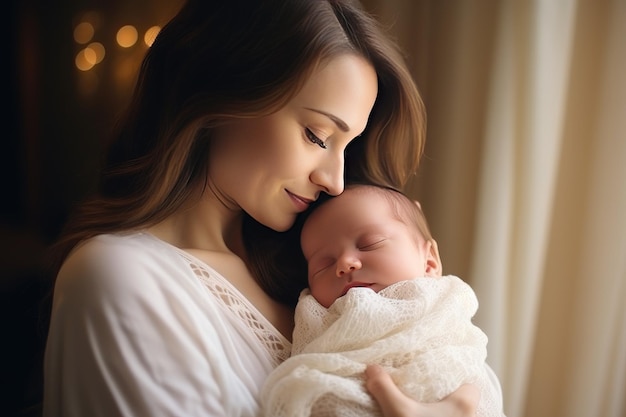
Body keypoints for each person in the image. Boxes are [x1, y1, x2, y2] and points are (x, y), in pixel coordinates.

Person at [42, 0, 480, 416]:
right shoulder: (121, 278)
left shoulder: (320, 273)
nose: (335, 180)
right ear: (222, 93)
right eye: (317, 135)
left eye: (349, 146)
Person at [261, 184, 505, 417]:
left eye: (369, 244)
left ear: (429, 261)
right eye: (322, 264)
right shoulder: (315, 318)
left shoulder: (443, 309)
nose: (345, 263)